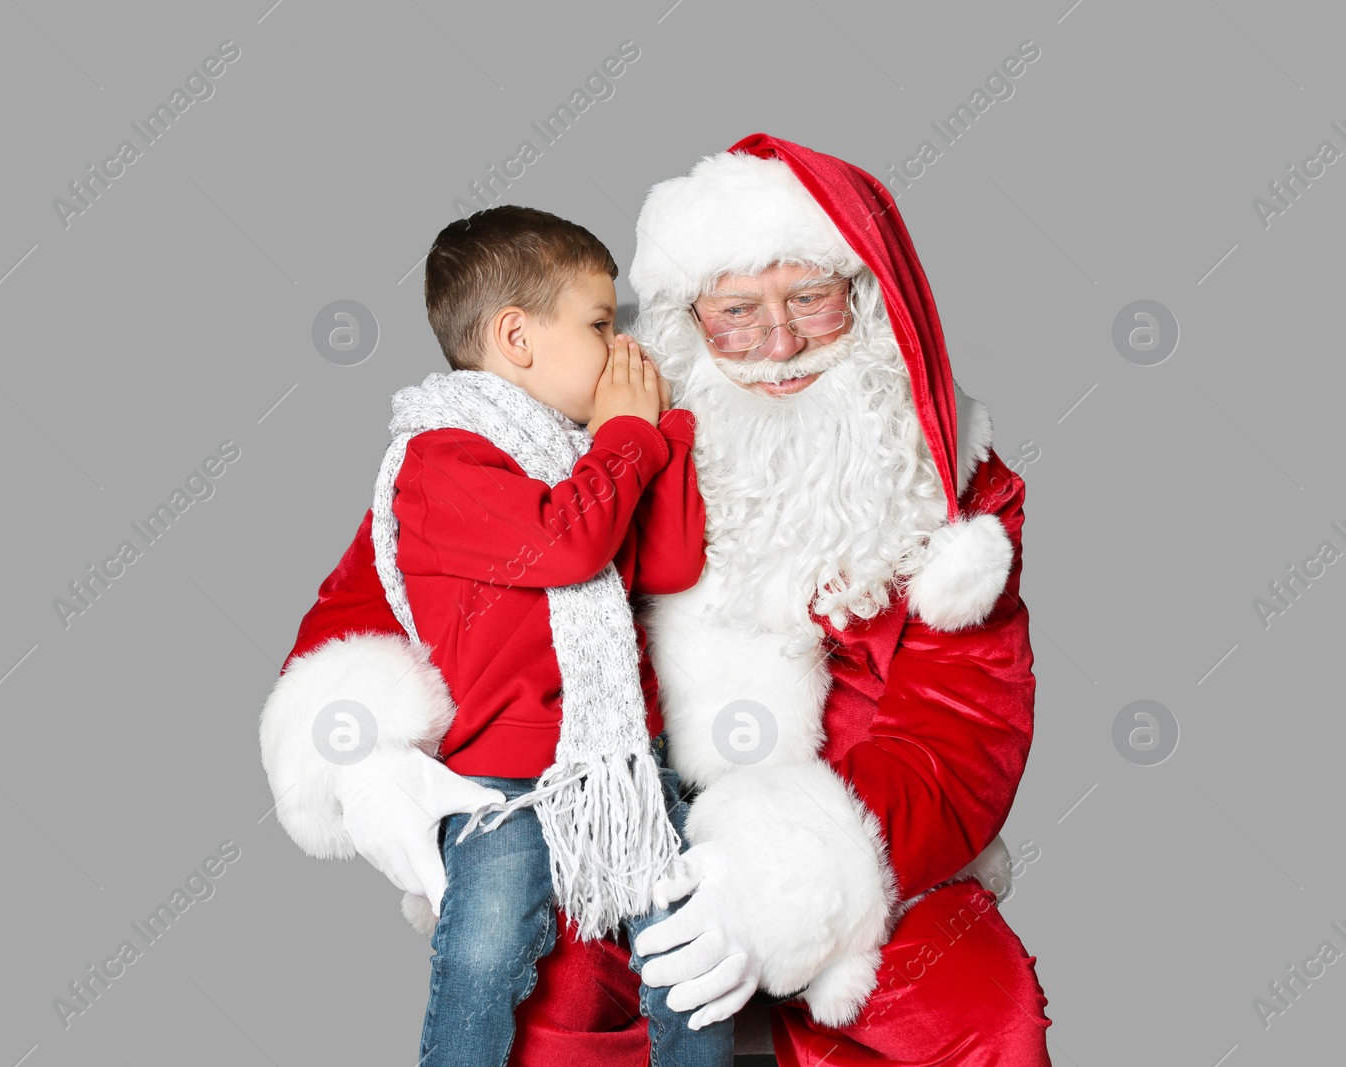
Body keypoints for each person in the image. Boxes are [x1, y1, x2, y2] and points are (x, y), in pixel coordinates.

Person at [260, 135, 1053, 1066]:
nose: (781, 343)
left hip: (856, 836)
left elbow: (961, 733)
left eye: (810, 299)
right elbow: (384, 584)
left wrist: (786, 878)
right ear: (688, 318)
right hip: (603, 819)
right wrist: (365, 763)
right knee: (539, 1014)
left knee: (977, 1014)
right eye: (737, 313)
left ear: (868, 298)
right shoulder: (578, 423)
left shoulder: (944, 483)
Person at [263, 204, 733, 1067]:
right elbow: (566, 541)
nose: (616, 343)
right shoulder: (441, 458)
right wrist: (627, 438)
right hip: (498, 776)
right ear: (517, 337)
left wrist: (666, 429)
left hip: (623, 761)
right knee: (483, 956)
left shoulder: (584, 454)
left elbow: (664, 564)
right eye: (599, 323)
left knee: (688, 955)